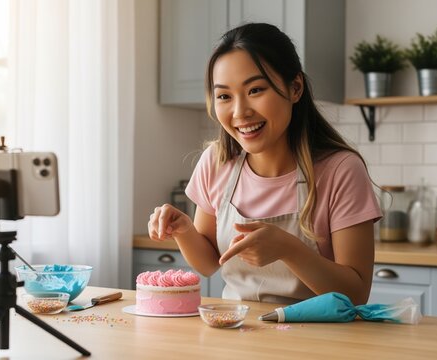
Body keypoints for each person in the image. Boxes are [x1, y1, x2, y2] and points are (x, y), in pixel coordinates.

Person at [148, 23, 382, 305]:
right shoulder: (216, 162)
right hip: (239, 333)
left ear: (295, 88)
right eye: (224, 96)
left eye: (256, 90)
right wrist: (184, 231)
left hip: (320, 340)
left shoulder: (341, 170)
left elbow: (356, 294)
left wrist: (289, 249)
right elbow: (210, 263)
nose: (240, 112)